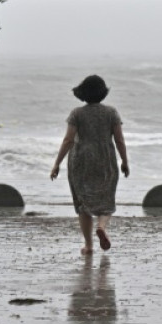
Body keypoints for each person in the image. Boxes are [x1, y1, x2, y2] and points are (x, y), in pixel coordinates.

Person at [51, 75, 129, 255]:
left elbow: (68, 140)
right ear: (103, 93)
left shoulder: (76, 113)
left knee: (82, 203)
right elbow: (119, 139)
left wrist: (57, 164)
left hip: (80, 159)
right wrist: (124, 161)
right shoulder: (111, 112)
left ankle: (89, 246)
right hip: (105, 158)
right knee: (106, 198)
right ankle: (101, 226)